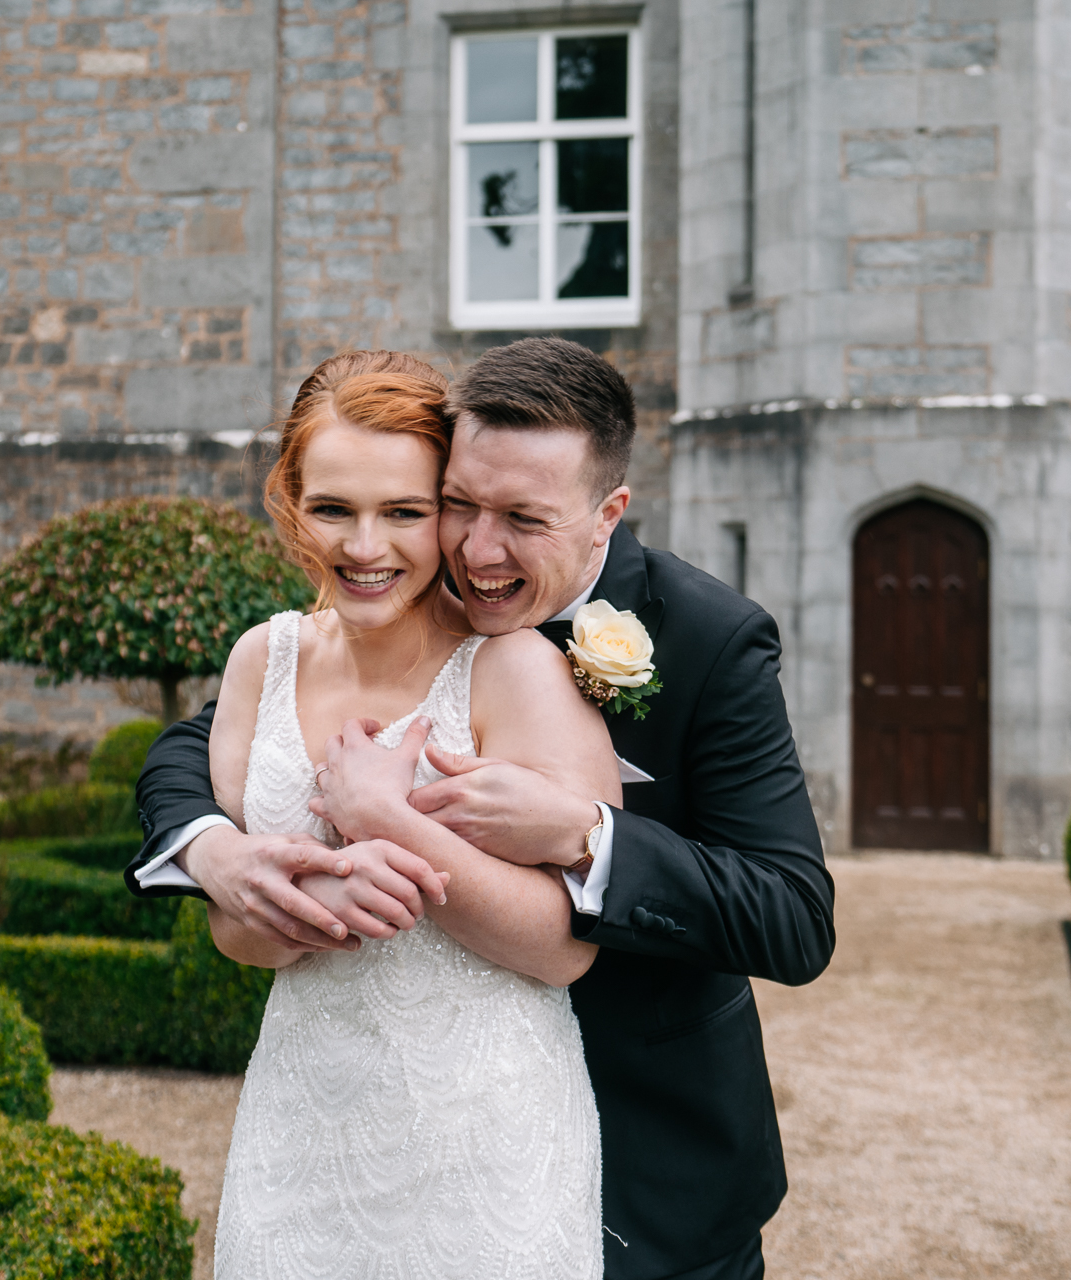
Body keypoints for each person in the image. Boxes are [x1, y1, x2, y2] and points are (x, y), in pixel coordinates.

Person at [130, 337, 836, 1280]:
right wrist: (211, 851)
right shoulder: (355, 614)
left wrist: (588, 837)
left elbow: (792, 915)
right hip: (337, 1124)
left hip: (643, 1141)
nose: (477, 550)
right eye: (458, 505)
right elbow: (202, 744)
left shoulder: (709, 641)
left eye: (522, 519)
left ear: (606, 516)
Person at [196, 349, 614, 1278]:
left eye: (405, 513)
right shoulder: (259, 663)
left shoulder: (515, 669)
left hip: (485, 1146)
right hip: (301, 1124)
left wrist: (390, 823)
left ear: (448, 514)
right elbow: (233, 928)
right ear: (291, 499)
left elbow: (568, 948)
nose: (365, 546)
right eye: (333, 508)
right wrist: (308, 903)